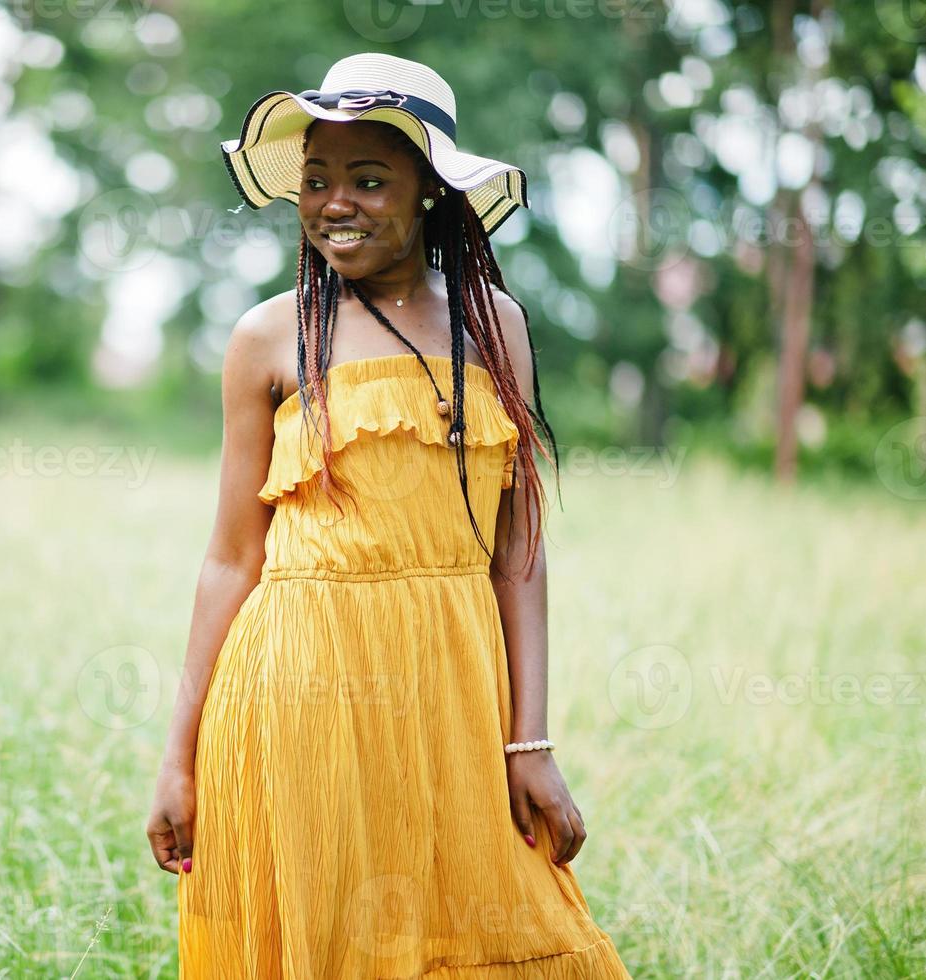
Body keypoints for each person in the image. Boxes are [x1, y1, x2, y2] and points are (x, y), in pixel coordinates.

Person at [146, 53, 632, 977]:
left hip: (454, 687)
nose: (336, 203)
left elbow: (517, 550)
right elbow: (227, 560)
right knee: (329, 940)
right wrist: (178, 758)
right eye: (317, 180)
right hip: (298, 697)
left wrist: (528, 741)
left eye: (369, 180)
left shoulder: (494, 327)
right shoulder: (266, 336)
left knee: (498, 924)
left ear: (431, 196)